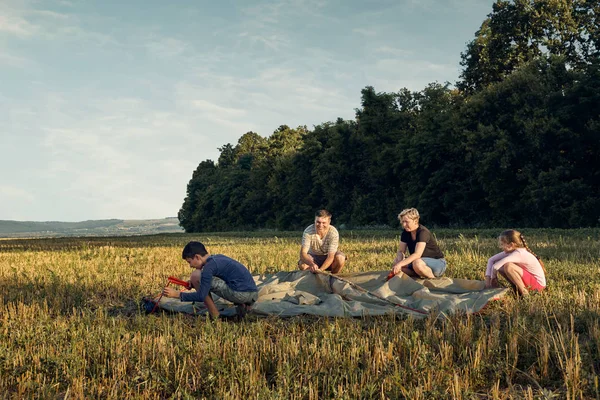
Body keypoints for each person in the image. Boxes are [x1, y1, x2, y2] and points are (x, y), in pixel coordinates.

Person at [162, 241, 258, 319]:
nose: (190, 266)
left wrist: (177, 294)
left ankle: (215, 316)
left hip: (241, 295)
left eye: (189, 262)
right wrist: (195, 283)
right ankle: (245, 307)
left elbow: (201, 296)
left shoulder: (208, 267)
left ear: (197, 257)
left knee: (196, 276)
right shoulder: (217, 259)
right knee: (199, 277)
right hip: (252, 294)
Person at [484, 229, 546, 296]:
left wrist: (493, 278)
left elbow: (495, 266)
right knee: (502, 266)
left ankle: (525, 294)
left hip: (538, 286)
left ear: (511, 245)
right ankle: (516, 288)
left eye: (502, 244)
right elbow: (491, 260)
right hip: (530, 281)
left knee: (508, 266)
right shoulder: (511, 250)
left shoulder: (519, 253)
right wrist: (488, 284)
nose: (501, 247)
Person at [389, 208, 446, 279]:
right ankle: (417, 276)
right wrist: (398, 264)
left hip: (437, 263)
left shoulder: (423, 232)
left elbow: (417, 254)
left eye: (406, 222)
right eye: (402, 222)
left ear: (415, 221)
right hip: (418, 262)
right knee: (396, 263)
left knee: (416, 263)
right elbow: (401, 251)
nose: (404, 225)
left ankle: (433, 280)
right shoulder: (406, 233)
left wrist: (400, 264)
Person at [298, 209, 346, 274]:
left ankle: (333, 277)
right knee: (302, 264)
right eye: (318, 222)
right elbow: (303, 253)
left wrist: (321, 270)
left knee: (341, 258)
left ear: (329, 222)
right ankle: (312, 278)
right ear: (314, 221)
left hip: (328, 257)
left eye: (324, 223)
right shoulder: (308, 231)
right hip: (313, 257)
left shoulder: (333, 233)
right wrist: (311, 264)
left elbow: (331, 256)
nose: (320, 225)